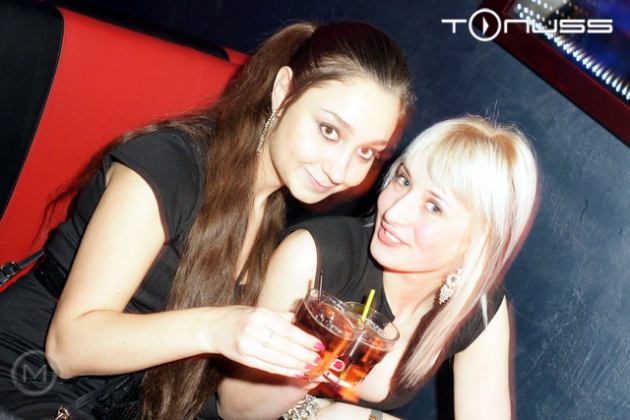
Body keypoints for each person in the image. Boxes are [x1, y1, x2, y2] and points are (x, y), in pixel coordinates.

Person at [0, 20, 414, 419]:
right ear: (283, 92)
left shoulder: (273, 217)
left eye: (367, 152)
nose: (341, 171)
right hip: (29, 378)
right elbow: (69, 348)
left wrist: (311, 387)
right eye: (329, 130)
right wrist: (220, 328)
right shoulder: (172, 164)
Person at [218, 115, 540, 419]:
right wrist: (311, 371)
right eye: (404, 180)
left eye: (433, 207)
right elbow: (232, 409)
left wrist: (363, 416)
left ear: (477, 243)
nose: (394, 212)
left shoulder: (475, 304)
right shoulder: (315, 254)